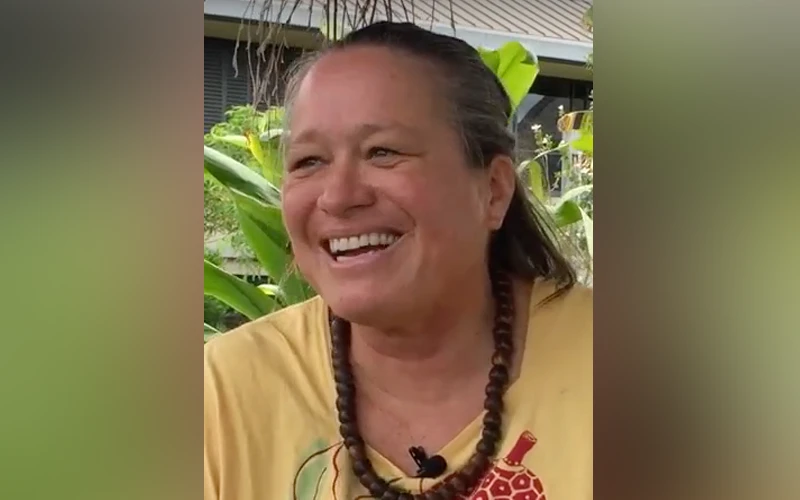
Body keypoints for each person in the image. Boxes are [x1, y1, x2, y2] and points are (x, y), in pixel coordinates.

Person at [204, 21, 592, 500]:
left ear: (492, 191)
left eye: (382, 152)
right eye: (309, 161)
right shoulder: (220, 392)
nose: (339, 197)